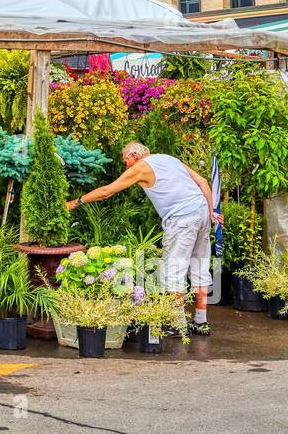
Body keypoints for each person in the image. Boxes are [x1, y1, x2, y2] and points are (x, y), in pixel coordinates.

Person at [65, 142, 219, 336]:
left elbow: (107, 191)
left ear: (135, 155)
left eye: (126, 160)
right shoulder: (170, 159)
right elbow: (203, 181)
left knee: (173, 271)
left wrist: (76, 202)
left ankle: (179, 326)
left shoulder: (142, 166)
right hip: (202, 212)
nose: (126, 166)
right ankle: (200, 321)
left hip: (181, 219)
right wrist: (212, 211)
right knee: (199, 266)